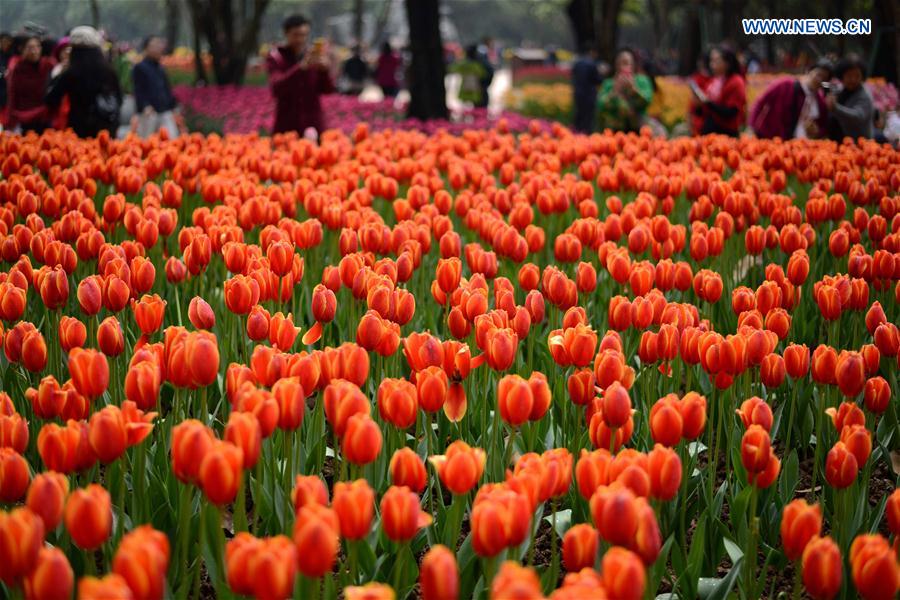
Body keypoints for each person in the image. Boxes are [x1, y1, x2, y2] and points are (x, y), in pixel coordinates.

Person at [45, 26, 121, 138]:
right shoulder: (108, 71)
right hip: (106, 127)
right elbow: (119, 99)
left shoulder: (70, 73)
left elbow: (51, 99)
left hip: (79, 128)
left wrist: (57, 75)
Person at [266, 14, 334, 136]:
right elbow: (276, 88)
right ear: (286, 34)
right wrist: (301, 68)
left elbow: (327, 90)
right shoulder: (276, 57)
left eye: (304, 35)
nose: (300, 40)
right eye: (295, 35)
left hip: (312, 123)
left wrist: (325, 71)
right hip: (287, 124)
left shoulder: (313, 55)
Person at [749, 60, 832, 139]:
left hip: (798, 145)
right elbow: (760, 102)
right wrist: (752, 127)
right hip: (770, 138)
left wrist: (816, 132)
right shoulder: (784, 84)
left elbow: (823, 128)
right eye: (818, 75)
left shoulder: (820, 101)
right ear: (809, 71)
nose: (820, 80)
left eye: (824, 79)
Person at [690, 45, 746, 136]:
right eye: (711, 60)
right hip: (709, 132)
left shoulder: (736, 82)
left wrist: (708, 103)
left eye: (716, 60)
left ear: (727, 62)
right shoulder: (714, 81)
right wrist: (698, 105)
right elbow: (703, 112)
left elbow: (731, 112)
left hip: (726, 134)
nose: (712, 64)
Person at [596, 48, 654, 133]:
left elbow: (647, 100)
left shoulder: (642, 81)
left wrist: (634, 90)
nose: (623, 67)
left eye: (626, 63)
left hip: (638, 129)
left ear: (633, 65)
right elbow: (600, 106)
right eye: (620, 63)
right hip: (613, 130)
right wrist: (614, 92)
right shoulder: (609, 84)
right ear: (616, 65)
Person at [132, 35, 178, 137]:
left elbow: (166, 89)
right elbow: (138, 89)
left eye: (159, 45)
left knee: (172, 139)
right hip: (149, 113)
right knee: (147, 142)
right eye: (155, 45)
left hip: (164, 110)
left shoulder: (160, 68)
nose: (158, 48)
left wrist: (172, 106)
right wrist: (145, 106)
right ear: (146, 48)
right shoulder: (140, 67)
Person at [6, 35, 54, 133]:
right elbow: (12, 94)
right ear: (21, 50)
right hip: (23, 117)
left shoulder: (48, 65)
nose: (34, 51)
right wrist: (10, 121)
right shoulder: (17, 69)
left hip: (45, 117)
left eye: (37, 47)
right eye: (30, 47)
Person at [827, 55, 874, 140]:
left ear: (862, 76)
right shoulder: (841, 90)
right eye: (849, 75)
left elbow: (857, 117)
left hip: (857, 146)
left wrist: (835, 108)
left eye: (857, 76)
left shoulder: (864, 95)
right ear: (842, 76)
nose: (853, 79)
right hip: (837, 143)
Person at [571, 44, 604, 133]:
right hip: (589, 95)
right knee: (588, 119)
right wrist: (602, 73)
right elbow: (597, 80)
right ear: (592, 52)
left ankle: (575, 135)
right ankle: (586, 137)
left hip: (578, 94)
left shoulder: (577, 63)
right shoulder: (592, 64)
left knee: (579, 116)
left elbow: (573, 76)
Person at [476, 37, 495, 109]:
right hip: (483, 77)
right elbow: (487, 67)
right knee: (483, 97)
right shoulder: (483, 50)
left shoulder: (481, 49)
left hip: (481, 77)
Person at [0, 32, 14, 111]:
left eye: (8, 41)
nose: (6, 44)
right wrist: (2, 74)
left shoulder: (12, 56)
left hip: (8, 89)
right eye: (4, 41)